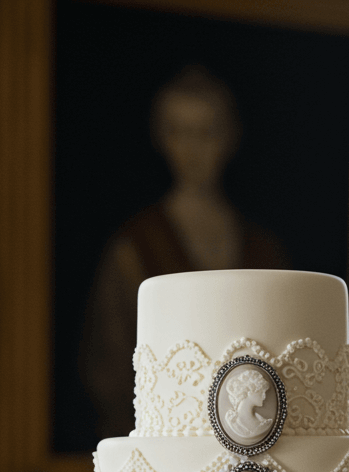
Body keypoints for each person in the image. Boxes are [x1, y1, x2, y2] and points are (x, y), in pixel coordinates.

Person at [81, 66, 289, 437]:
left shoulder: (262, 249)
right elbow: (109, 369)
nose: (193, 150)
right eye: (181, 133)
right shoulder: (133, 248)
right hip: (166, 444)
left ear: (230, 137)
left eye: (206, 133)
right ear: (162, 137)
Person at [222, 367, 275, 443]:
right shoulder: (233, 422)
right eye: (261, 392)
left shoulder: (263, 422)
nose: (264, 396)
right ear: (250, 392)